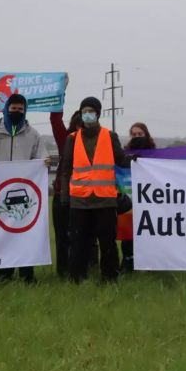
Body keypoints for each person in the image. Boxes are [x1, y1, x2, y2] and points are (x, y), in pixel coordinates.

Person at [0, 93, 49, 283]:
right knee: (1, 234)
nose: (16, 112)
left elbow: (40, 157)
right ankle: (3, 274)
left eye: (20, 109)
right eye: (13, 108)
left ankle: (27, 274)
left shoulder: (33, 134)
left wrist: (44, 162)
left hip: (26, 194)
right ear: (6, 108)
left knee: (25, 234)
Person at [58, 97, 129, 283]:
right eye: (84, 111)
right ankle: (77, 278)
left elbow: (121, 160)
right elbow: (66, 169)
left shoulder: (109, 135)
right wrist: (65, 197)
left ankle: (110, 278)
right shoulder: (72, 139)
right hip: (79, 200)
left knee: (107, 242)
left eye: (91, 111)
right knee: (78, 241)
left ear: (97, 114)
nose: (87, 114)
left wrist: (140, 159)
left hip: (104, 199)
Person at [118, 122, 156, 273]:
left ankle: (150, 264)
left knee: (149, 233)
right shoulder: (124, 154)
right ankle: (128, 262)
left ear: (146, 134)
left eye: (140, 134)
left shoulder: (155, 154)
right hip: (130, 201)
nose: (137, 137)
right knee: (128, 234)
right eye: (134, 135)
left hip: (150, 200)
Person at [51, 111, 79, 278]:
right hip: (62, 195)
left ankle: (83, 269)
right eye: (77, 125)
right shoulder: (65, 140)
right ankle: (63, 271)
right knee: (62, 236)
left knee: (84, 237)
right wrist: (60, 91)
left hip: (85, 196)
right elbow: (55, 119)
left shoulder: (97, 141)